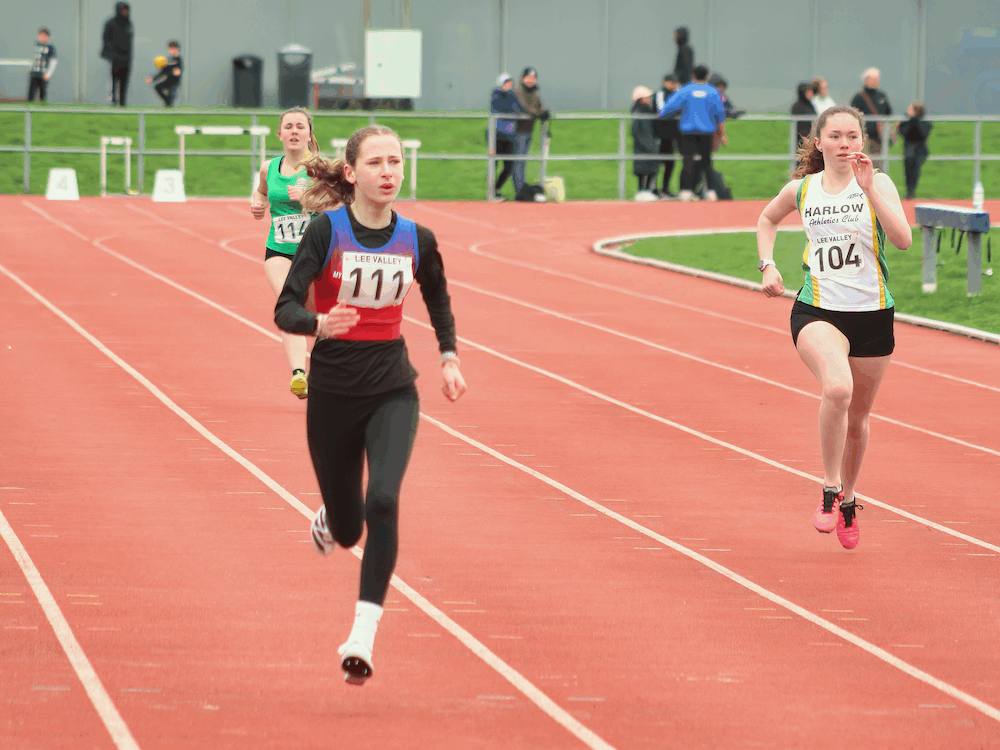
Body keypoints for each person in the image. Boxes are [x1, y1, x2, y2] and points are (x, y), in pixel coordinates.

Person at [274, 124, 467, 685]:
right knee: (350, 528)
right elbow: (285, 308)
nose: (389, 172)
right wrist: (317, 323)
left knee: (383, 500)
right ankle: (332, 517)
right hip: (332, 395)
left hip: (392, 390)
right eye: (377, 163)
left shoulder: (418, 238)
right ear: (352, 173)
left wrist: (449, 356)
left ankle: (362, 634)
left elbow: (438, 299)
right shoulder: (324, 231)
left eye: (397, 162)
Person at [755, 105, 911, 550]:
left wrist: (870, 191)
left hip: (873, 315)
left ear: (863, 142)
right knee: (838, 389)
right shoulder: (802, 189)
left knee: (858, 422)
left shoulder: (877, 183)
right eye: (837, 136)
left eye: (853, 137)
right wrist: (768, 264)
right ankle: (828, 488)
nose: (846, 144)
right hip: (818, 310)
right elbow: (767, 219)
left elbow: (902, 240)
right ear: (819, 142)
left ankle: (849, 497)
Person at [251, 107, 321, 399]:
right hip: (279, 250)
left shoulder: (321, 168)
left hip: (316, 253)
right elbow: (261, 192)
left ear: (308, 134)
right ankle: (298, 374)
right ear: (279, 134)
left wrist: (310, 200)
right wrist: (257, 205)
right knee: (290, 303)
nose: (294, 131)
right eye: (289, 126)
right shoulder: (269, 167)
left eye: (300, 127)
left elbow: (339, 205)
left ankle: (320, 373)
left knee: (319, 316)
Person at [658, 64, 725, 202]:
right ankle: (710, 191)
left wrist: (666, 114)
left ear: (693, 75)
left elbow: (668, 109)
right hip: (707, 132)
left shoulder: (686, 90)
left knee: (687, 161)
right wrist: (722, 134)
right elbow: (720, 115)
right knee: (706, 161)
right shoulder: (713, 92)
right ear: (707, 76)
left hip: (688, 132)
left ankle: (686, 191)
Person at [512, 67, 550, 199]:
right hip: (517, 130)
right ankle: (519, 191)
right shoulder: (518, 91)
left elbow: (539, 106)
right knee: (518, 161)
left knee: (521, 160)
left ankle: (522, 189)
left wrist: (544, 112)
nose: (530, 80)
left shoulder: (534, 91)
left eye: (533, 78)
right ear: (523, 78)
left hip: (528, 130)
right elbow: (525, 108)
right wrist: (540, 114)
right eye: (528, 78)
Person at [489, 73, 524, 201]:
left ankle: (496, 189)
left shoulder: (512, 95)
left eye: (510, 82)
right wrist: (512, 109)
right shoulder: (496, 95)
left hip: (509, 134)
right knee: (494, 164)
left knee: (509, 166)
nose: (508, 85)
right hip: (497, 133)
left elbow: (519, 109)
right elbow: (502, 108)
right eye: (506, 82)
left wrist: (514, 109)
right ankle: (491, 193)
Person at [850, 68, 893, 170]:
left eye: (877, 79)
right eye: (873, 79)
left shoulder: (882, 95)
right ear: (866, 80)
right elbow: (853, 114)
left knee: (879, 163)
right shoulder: (859, 97)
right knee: (865, 161)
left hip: (879, 136)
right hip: (866, 136)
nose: (876, 81)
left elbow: (889, 111)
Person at [653, 74, 681, 198]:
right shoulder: (660, 94)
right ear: (665, 82)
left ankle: (665, 189)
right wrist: (675, 111)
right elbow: (661, 110)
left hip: (672, 134)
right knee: (657, 162)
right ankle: (653, 188)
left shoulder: (677, 94)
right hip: (659, 133)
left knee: (670, 162)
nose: (673, 84)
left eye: (675, 82)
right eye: (671, 82)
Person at [898, 101, 932, 200]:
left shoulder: (924, 123)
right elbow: (903, 133)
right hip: (909, 150)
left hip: (919, 151)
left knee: (915, 171)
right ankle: (909, 192)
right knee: (908, 171)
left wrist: (914, 121)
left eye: (910, 109)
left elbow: (922, 135)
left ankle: (911, 192)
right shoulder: (906, 122)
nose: (908, 111)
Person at [100, 2, 133, 106]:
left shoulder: (129, 24)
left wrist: (129, 56)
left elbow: (130, 42)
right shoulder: (110, 23)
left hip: (126, 58)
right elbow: (106, 39)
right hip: (113, 58)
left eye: (126, 10)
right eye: (122, 10)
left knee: (124, 80)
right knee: (113, 79)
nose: (124, 12)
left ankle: (123, 101)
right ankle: (113, 100)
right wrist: (111, 54)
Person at [631, 86, 660, 196]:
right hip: (642, 146)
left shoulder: (648, 111)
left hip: (650, 145)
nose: (649, 99)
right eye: (646, 97)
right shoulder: (638, 113)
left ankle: (647, 190)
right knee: (642, 170)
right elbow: (636, 131)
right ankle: (641, 191)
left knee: (651, 168)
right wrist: (647, 144)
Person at [145, 40, 182, 107]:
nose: (171, 51)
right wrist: (152, 79)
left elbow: (178, 69)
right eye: (170, 49)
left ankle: (169, 105)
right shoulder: (168, 60)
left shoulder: (178, 59)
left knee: (171, 94)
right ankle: (167, 103)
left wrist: (177, 71)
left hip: (174, 82)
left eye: (173, 49)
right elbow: (163, 71)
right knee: (157, 87)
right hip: (168, 80)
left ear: (177, 49)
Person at [27, 28, 57, 103]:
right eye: (40, 36)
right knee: (31, 92)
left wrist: (48, 74)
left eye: (43, 36)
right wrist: (30, 68)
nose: (41, 38)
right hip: (34, 73)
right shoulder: (36, 45)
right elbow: (35, 59)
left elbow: (53, 61)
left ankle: (43, 107)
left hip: (43, 74)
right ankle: (29, 110)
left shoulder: (50, 47)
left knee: (42, 92)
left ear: (47, 37)